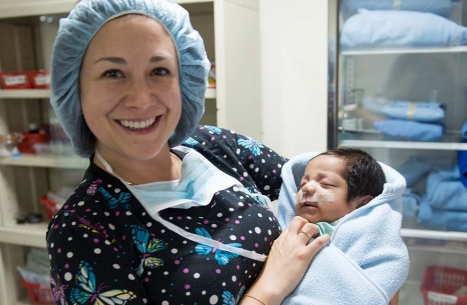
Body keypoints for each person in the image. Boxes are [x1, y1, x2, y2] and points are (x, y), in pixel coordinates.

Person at [45, 0, 329, 304]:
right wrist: (269, 288)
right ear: (76, 89)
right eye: (113, 73)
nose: (141, 99)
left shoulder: (218, 146)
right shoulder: (84, 228)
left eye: (159, 70)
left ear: (184, 80)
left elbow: (335, 192)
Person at [278, 148, 409, 305]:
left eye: (325, 183)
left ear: (362, 203)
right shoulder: (291, 233)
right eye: (302, 184)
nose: (307, 189)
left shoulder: (373, 241)